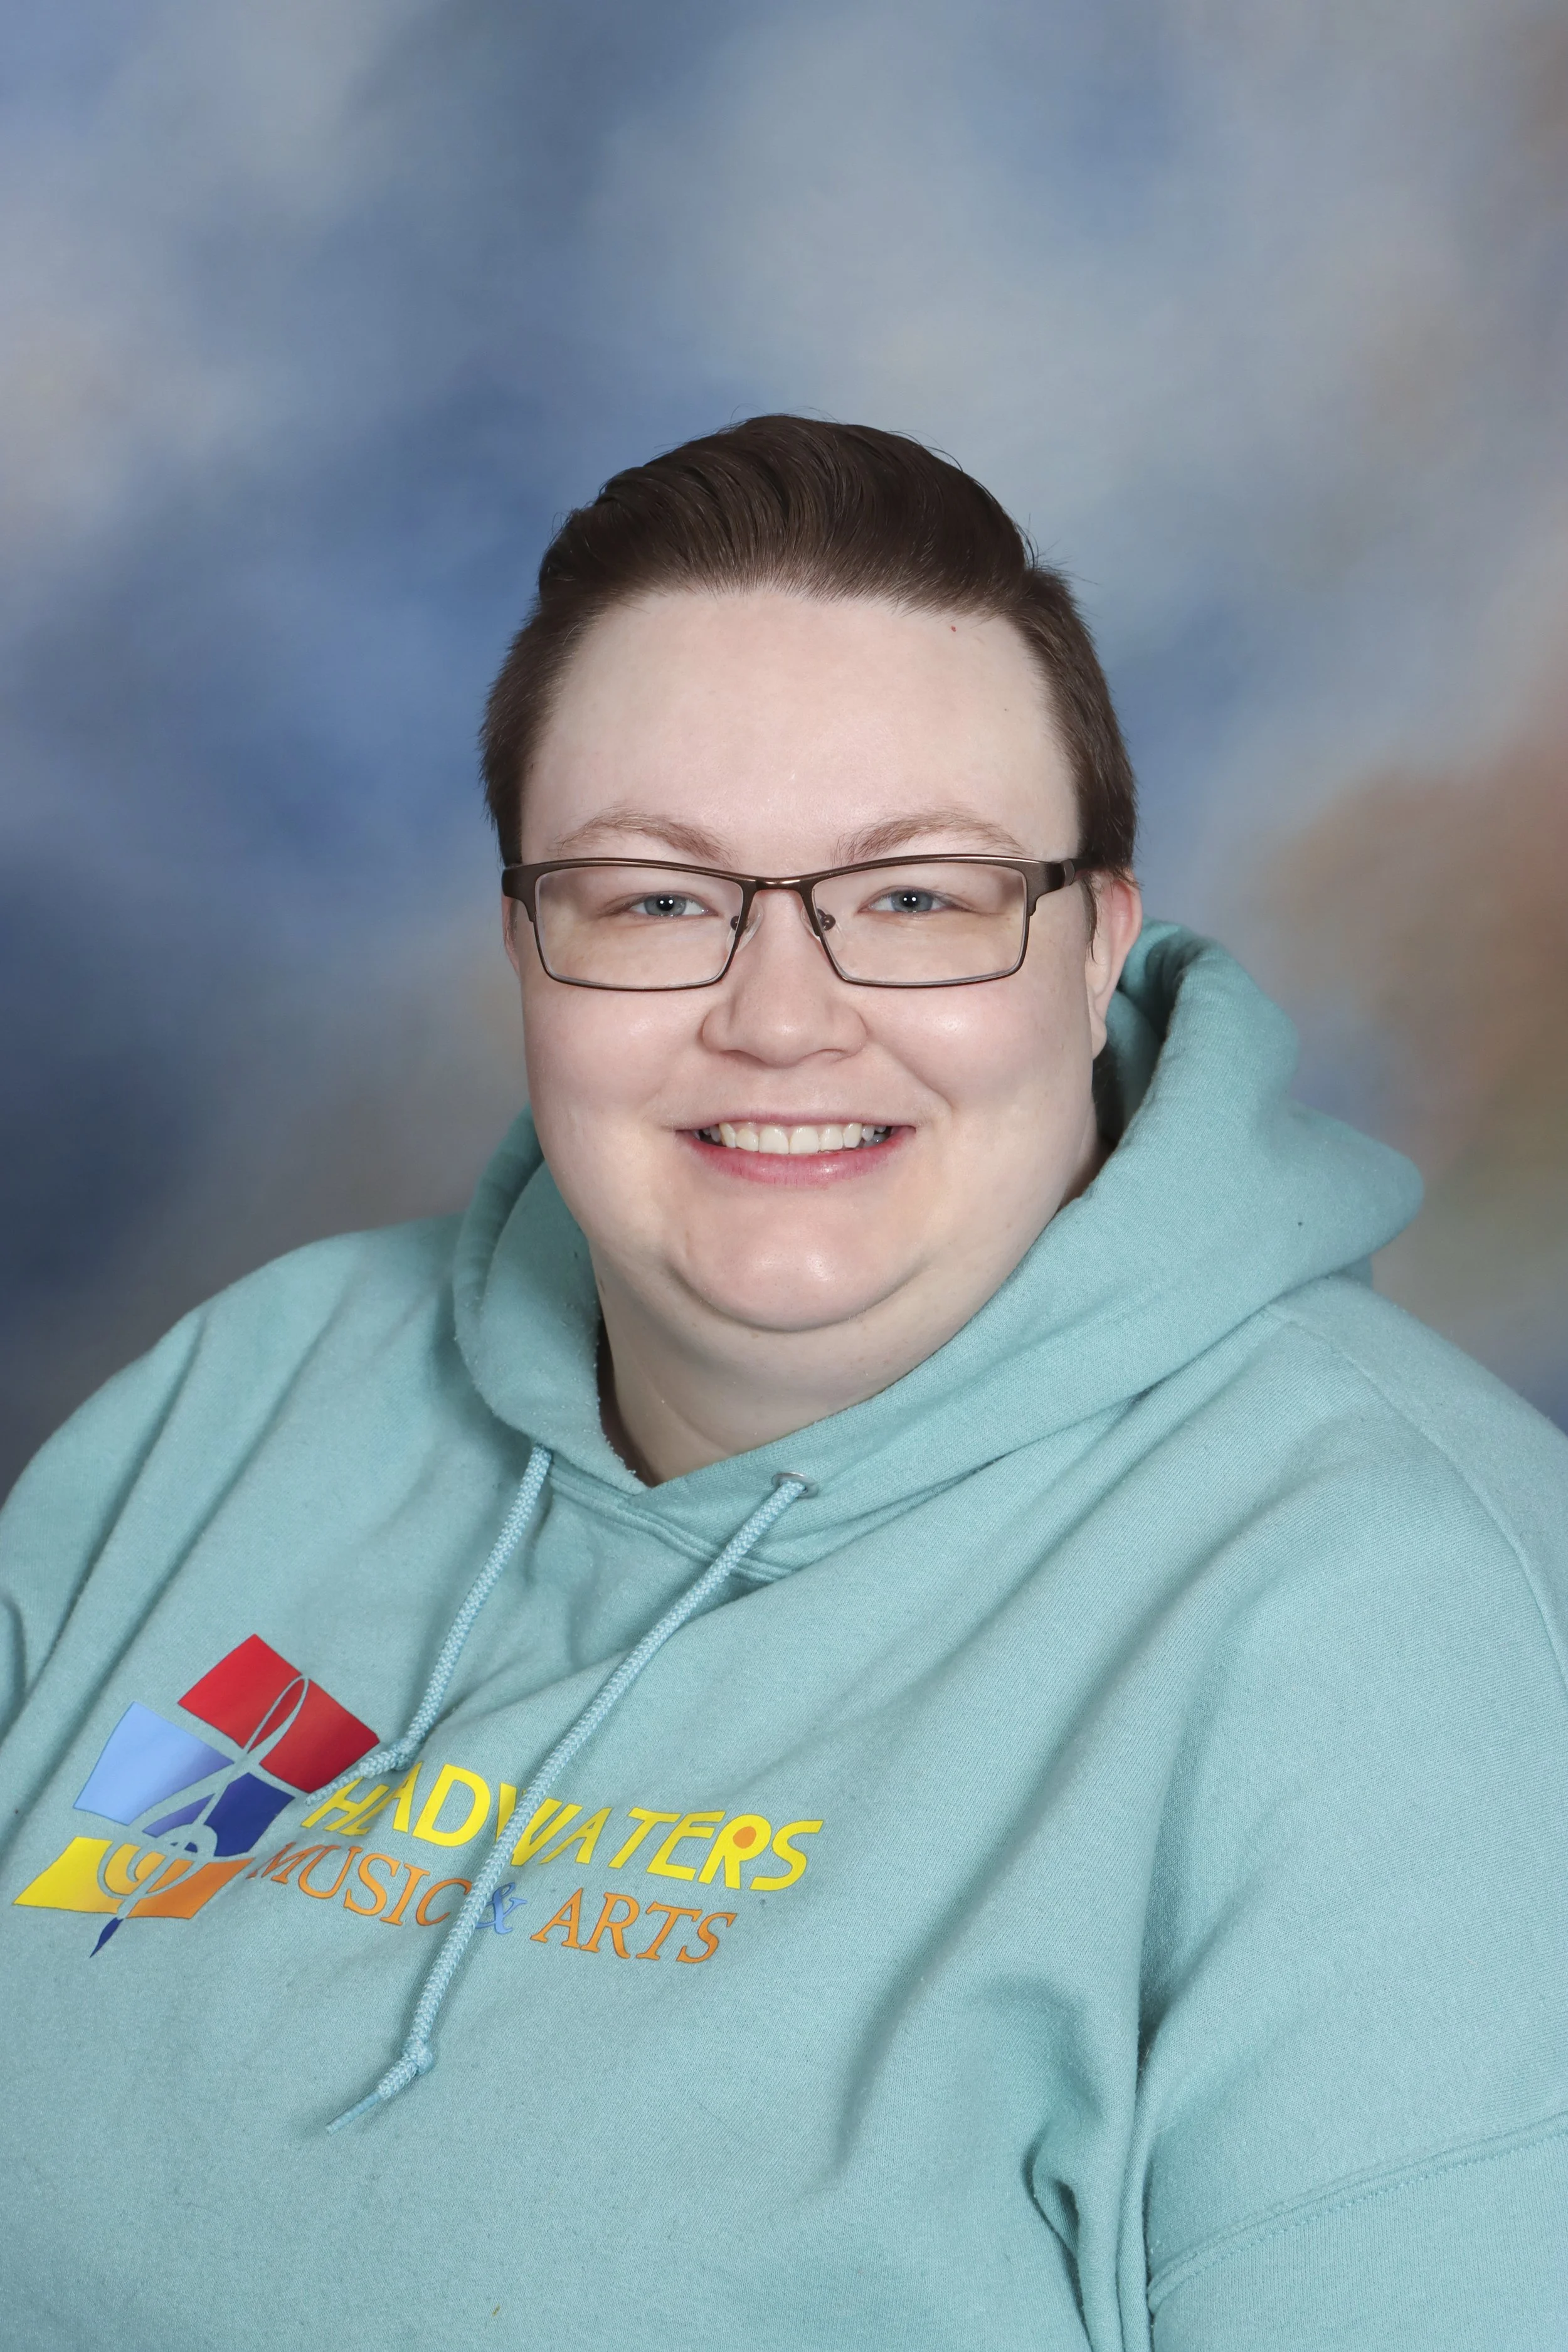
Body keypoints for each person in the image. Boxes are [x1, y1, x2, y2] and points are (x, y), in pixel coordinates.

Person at [1, 416, 1564, 2352]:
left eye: (916, 896)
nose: (780, 1015)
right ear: (527, 949)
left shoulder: (1397, 1639)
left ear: (1094, 946)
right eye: (655, 897)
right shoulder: (245, 1404)